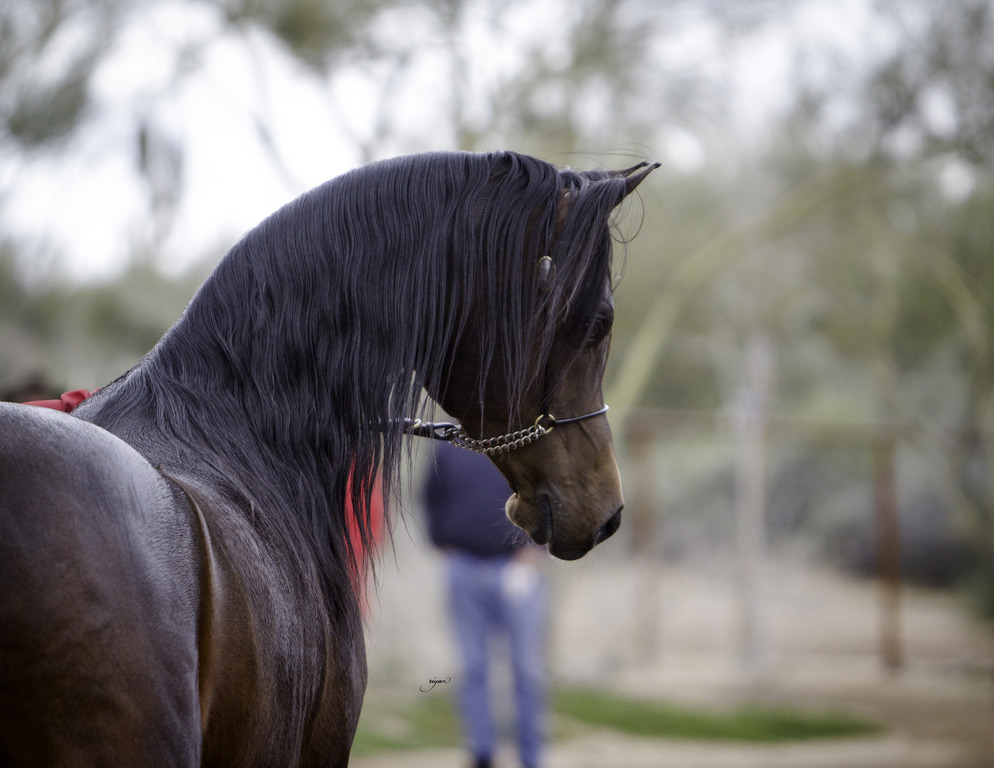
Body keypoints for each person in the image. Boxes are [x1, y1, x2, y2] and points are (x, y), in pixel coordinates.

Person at [421, 440, 548, 768]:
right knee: (472, 667)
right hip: (463, 567)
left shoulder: (521, 441)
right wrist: (441, 541)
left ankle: (531, 757)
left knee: (526, 669)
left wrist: (536, 551)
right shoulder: (449, 447)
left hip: (517, 570)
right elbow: (430, 496)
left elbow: (548, 493)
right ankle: (482, 752)